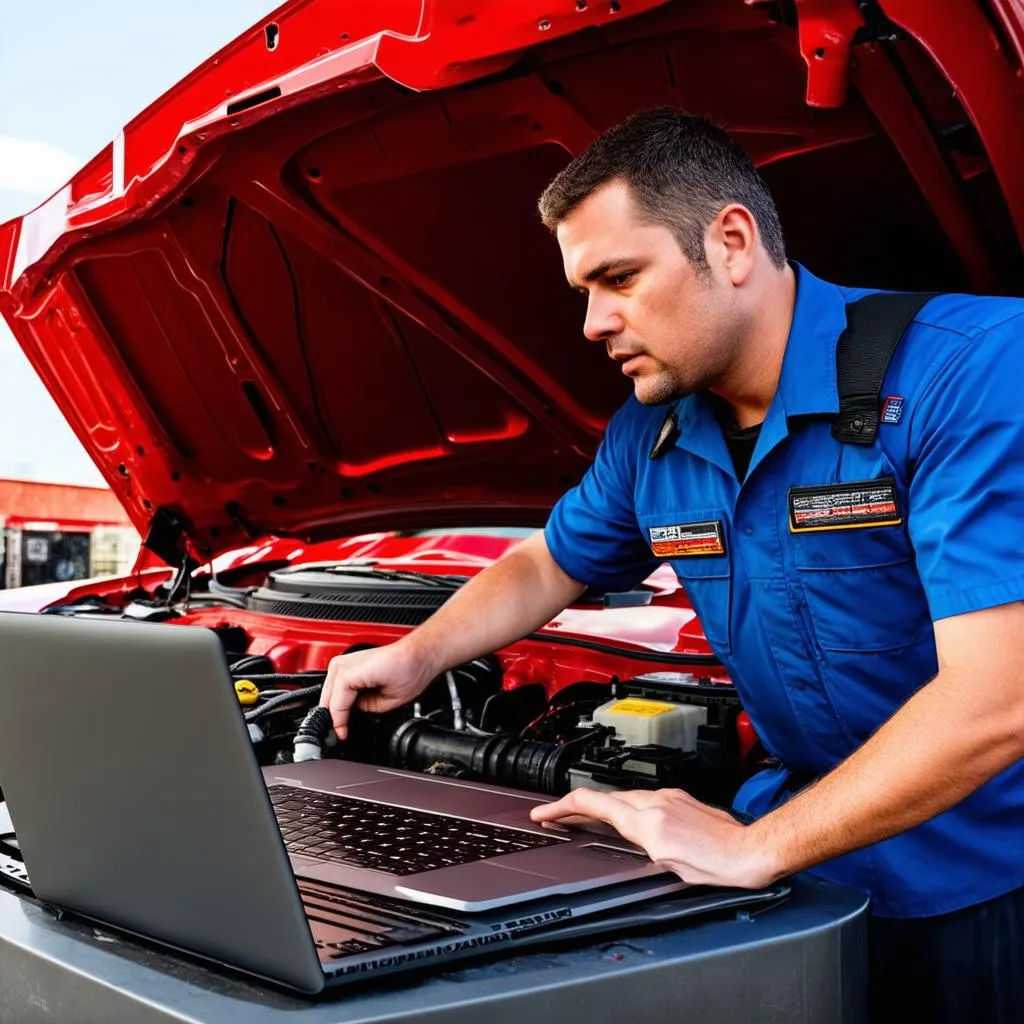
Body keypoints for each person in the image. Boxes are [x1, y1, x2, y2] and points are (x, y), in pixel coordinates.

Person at [319, 108, 1024, 1018]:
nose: (591, 322)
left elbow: (999, 699)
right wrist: (419, 654)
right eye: (583, 288)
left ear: (731, 243)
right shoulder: (651, 435)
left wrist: (757, 847)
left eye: (618, 277)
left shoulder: (971, 371)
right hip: (787, 860)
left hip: (984, 879)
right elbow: (547, 563)